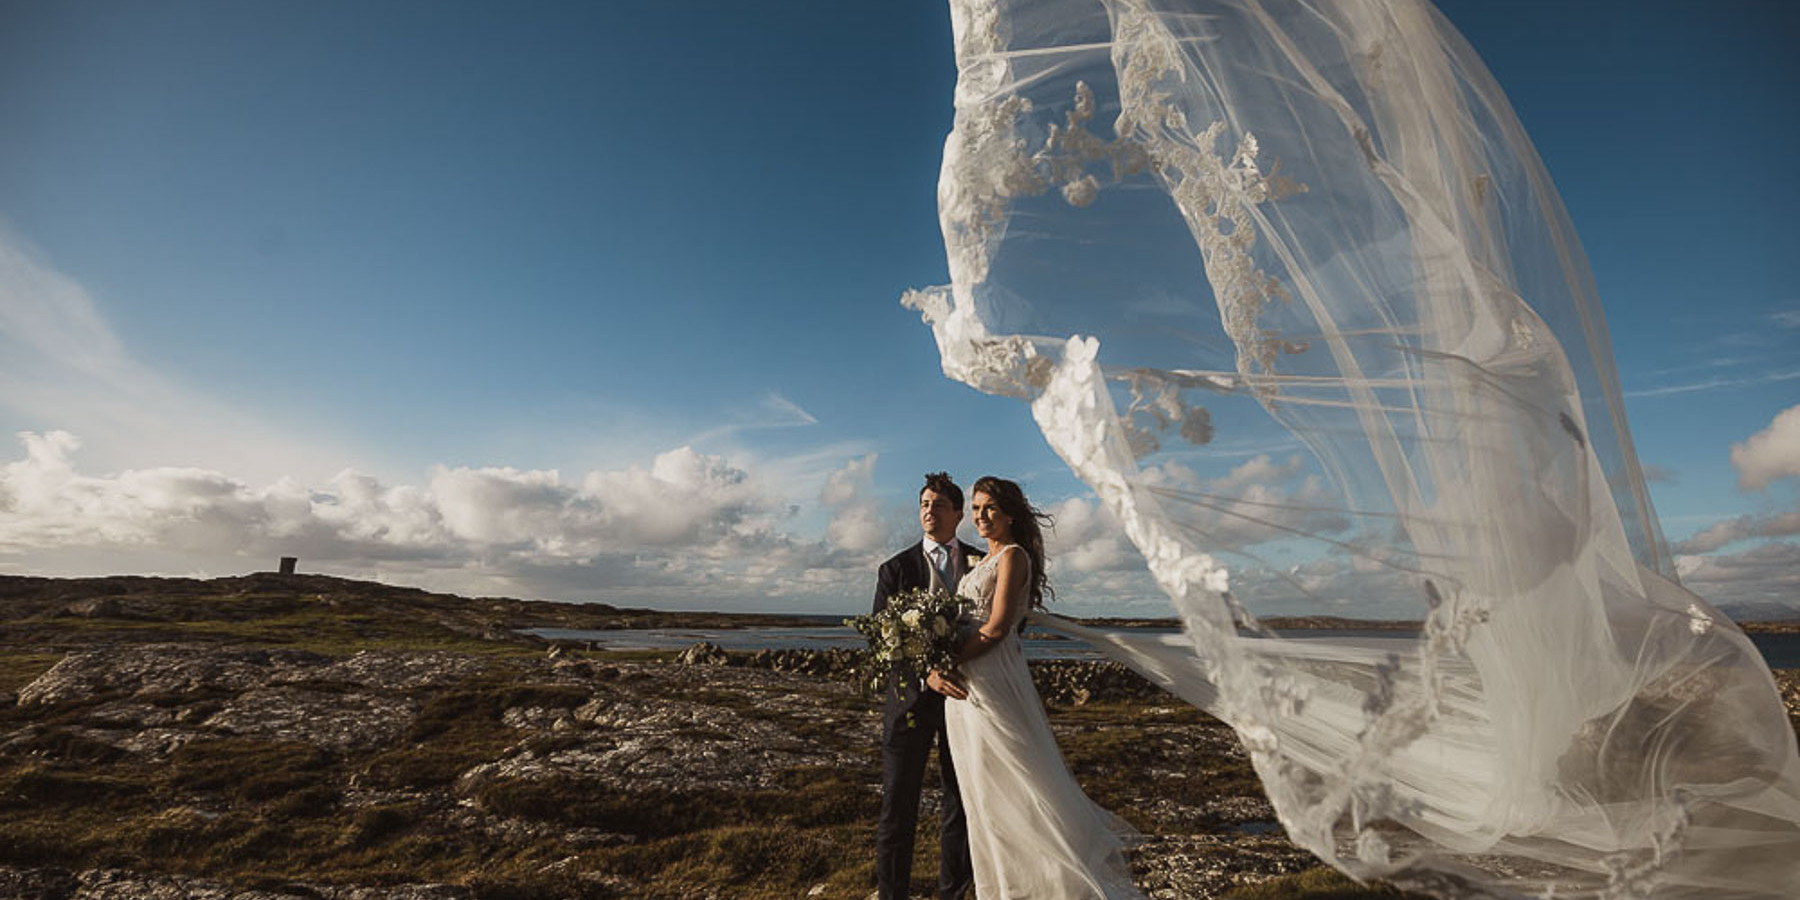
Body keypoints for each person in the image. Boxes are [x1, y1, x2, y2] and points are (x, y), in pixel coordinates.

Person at [931, 475, 1146, 899]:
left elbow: (997, 627)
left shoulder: (1013, 557)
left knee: (1011, 783)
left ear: (1010, 514)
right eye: (976, 509)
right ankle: (1000, 887)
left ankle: (1043, 886)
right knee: (981, 793)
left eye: (990, 508)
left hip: (991, 679)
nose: (981, 516)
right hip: (966, 685)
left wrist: (948, 659)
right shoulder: (984, 559)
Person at [871, 472, 978, 900]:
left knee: (961, 805)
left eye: (938, 505)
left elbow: (1006, 621)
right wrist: (925, 673)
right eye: (924, 504)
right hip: (909, 703)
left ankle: (953, 893)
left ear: (958, 514)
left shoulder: (980, 562)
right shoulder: (895, 569)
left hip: (967, 700)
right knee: (897, 808)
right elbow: (882, 639)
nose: (929, 511)